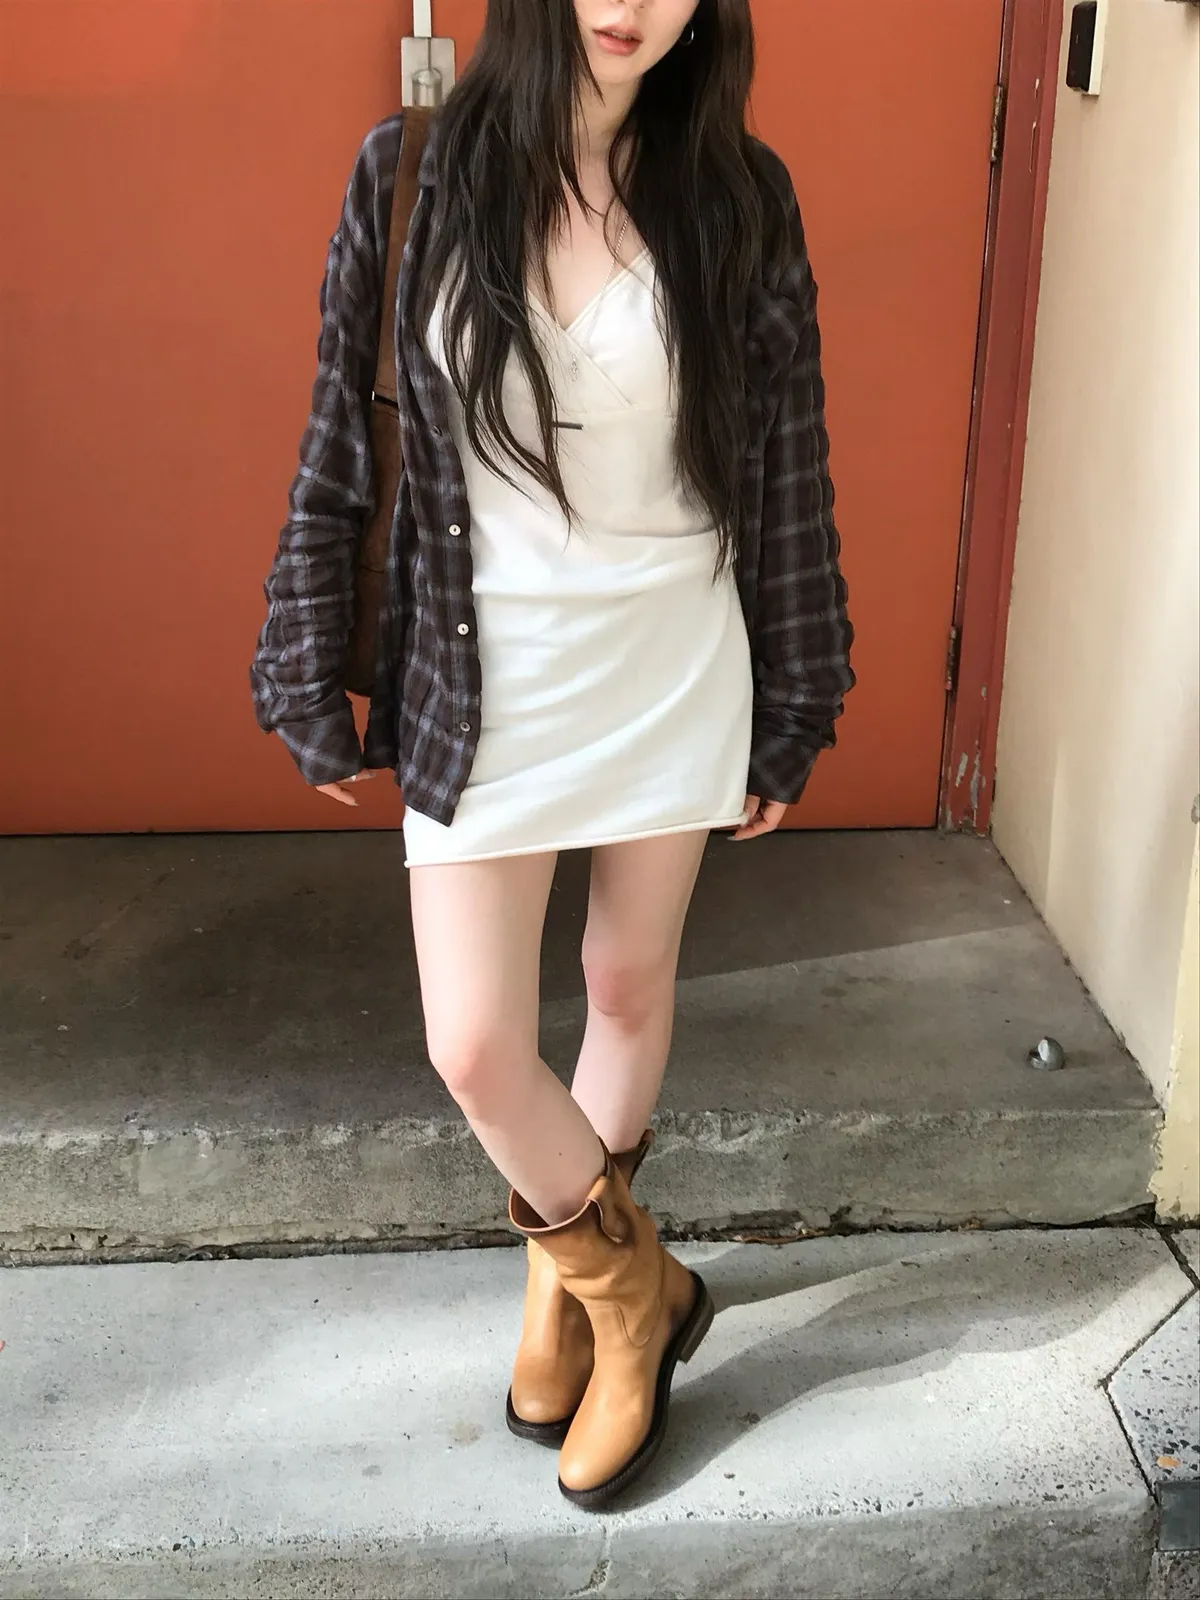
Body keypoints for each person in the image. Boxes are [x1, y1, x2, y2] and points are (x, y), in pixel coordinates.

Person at [250, 0, 853, 1509]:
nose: (629, 4)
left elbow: (787, 463)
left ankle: (560, 1284)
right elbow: (342, 434)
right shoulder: (412, 175)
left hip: (673, 658)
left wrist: (801, 694)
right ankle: (632, 1290)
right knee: (472, 1043)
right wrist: (304, 655)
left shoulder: (739, 194)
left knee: (626, 984)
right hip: (482, 671)